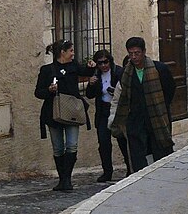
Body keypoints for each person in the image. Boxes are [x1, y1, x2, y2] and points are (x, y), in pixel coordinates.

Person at [109, 37, 176, 173]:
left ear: (144, 52)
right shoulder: (126, 73)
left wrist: (159, 107)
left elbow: (169, 90)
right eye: (131, 53)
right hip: (135, 119)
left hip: (157, 117)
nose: (134, 57)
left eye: (137, 53)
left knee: (160, 150)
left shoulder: (159, 69)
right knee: (137, 154)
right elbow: (124, 96)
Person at [34, 40, 93, 191]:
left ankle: (67, 179)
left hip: (72, 111)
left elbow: (86, 72)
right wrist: (49, 90)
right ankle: (62, 179)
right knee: (58, 147)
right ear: (62, 52)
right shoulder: (47, 70)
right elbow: (38, 93)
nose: (73, 54)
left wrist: (91, 67)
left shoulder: (74, 66)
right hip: (53, 112)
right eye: (71, 51)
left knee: (72, 145)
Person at [85, 49, 129, 182]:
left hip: (118, 110)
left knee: (122, 141)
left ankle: (130, 168)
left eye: (106, 62)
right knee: (104, 143)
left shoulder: (119, 72)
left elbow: (126, 91)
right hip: (103, 111)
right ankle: (107, 171)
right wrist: (91, 84)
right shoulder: (96, 74)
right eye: (100, 63)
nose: (103, 65)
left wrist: (115, 92)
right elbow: (89, 94)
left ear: (110, 61)